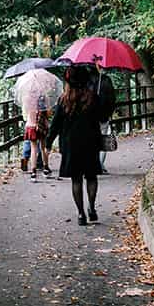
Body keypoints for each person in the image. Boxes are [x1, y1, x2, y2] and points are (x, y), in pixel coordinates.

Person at [46, 65, 104, 226]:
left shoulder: (63, 100)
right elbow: (102, 117)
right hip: (90, 142)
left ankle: (80, 214)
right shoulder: (93, 98)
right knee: (91, 176)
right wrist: (99, 101)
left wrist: (48, 143)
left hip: (71, 144)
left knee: (76, 180)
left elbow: (55, 124)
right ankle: (92, 207)